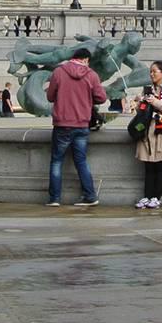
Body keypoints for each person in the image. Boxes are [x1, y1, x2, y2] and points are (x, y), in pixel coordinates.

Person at [45, 46, 106, 207]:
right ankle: (90, 196)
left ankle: (55, 199)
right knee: (81, 161)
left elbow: (50, 97)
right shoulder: (91, 75)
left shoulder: (59, 72)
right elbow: (101, 97)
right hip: (81, 124)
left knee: (56, 161)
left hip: (62, 124)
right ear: (86, 60)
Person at [134, 60, 162, 209]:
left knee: (160, 165)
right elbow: (140, 111)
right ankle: (146, 196)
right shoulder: (147, 89)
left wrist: (155, 101)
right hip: (147, 131)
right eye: (151, 71)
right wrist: (139, 102)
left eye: (155, 71)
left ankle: (156, 197)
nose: (152, 74)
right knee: (147, 166)